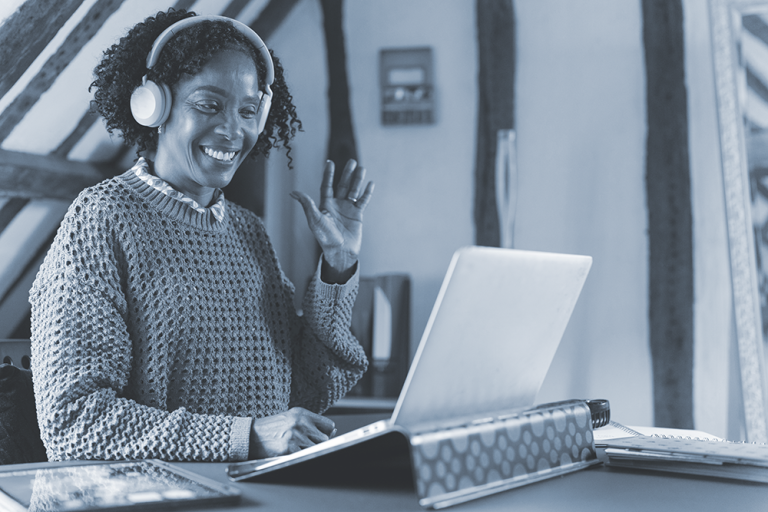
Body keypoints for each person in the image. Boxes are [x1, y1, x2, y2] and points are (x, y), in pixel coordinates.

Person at [28, 8, 374, 463]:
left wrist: (337, 268)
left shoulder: (248, 231)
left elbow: (308, 388)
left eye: (249, 111)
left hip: (251, 496)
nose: (234, 130)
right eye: (209, 104)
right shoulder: (101, 220)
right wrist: (244, 436)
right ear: (153, 105)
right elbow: (75, 423)